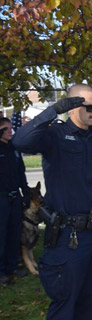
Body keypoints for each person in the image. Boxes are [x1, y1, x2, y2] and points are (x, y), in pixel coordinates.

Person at [13, 84, 92, 320]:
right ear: (72, 106)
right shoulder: (56, 135)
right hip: (68, 238)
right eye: (90, 107)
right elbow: (21, 141)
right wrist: (52, 111)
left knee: (89, 303)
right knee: (64, 306)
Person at [0, 117, 29, 284]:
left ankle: (12, 266)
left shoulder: (14, 149)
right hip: (1, 197)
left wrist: (25, 193)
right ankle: (1, 270)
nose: (10, 131)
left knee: (14, 233)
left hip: (14, 196)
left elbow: (21, 173)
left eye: (10, 128)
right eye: (5, 129)